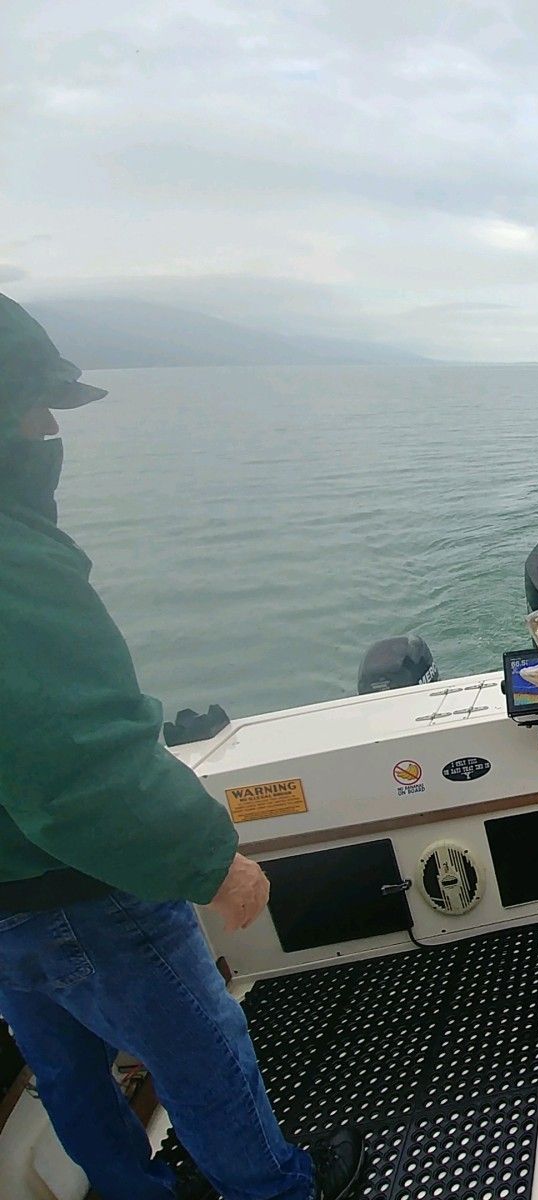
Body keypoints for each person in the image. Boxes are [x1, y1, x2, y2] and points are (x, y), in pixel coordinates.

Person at [0, 293, 364, 1200]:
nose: (47, 428)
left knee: (68, 1076)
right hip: (87, 894)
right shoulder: (14, 560)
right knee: (202, 1054)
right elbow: (81, 766)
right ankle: (276, 1191)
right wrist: (213, 860)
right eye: (31, 405)